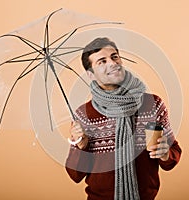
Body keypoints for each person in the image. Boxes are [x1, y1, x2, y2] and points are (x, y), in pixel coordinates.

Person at [65, 37, 182, 200]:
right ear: (91, 75)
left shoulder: (153, 104)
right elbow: (75, 175)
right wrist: (81, 146)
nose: (112, 63)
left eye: (114, 57)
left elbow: (172, 155)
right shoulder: (84, 115)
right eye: (102, 61)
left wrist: (165, 154)